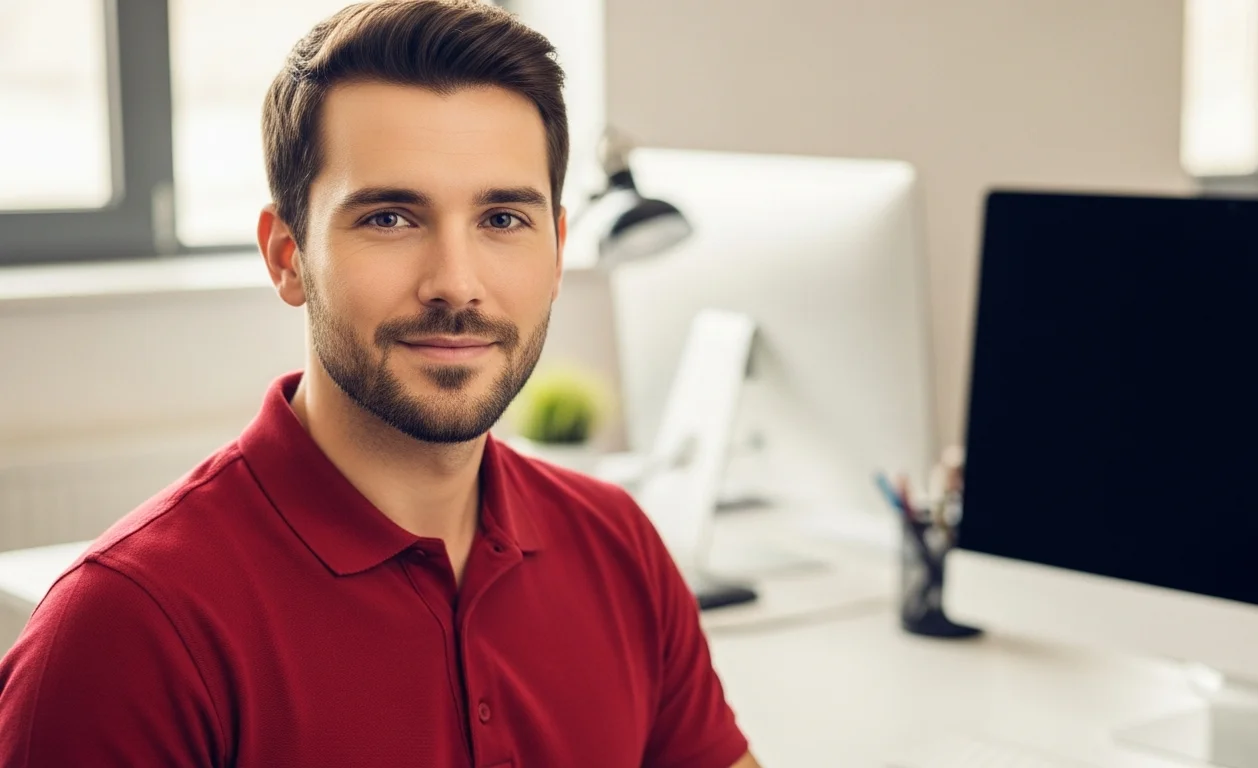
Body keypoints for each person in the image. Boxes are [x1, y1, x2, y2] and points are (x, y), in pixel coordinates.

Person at [0, 2, 759, 766]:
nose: (456, 283)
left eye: (502, 219)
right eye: (391, 218)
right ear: (288, 256)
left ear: (558, 253)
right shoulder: (122, 630)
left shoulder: (618, 544)